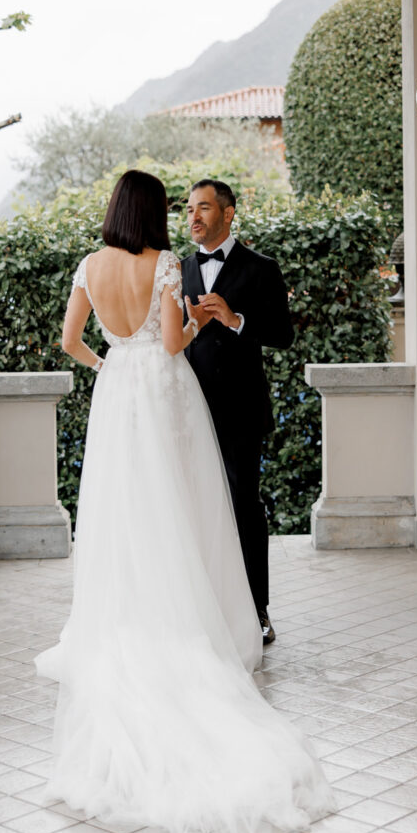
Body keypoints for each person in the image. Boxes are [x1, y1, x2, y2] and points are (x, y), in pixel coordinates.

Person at [35, 169, 333, 833]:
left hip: (118, 393)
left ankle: (128, 618)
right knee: (178, 505)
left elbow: (70, 341)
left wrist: (109, 365)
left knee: (123, 509)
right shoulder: (166, 263)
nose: (185, 215)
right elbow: (172, 345)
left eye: (198, 206)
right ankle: (195, 618)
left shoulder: (90, 264)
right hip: (164, 392)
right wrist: (194, 322)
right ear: (151, 212)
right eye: (174, 206)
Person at [182, 179, 294, 645]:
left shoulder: (261, 268)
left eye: (204, 208)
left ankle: (257, 610)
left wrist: (235, 320)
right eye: (190, 208)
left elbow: (283, 334)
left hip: (241, 412)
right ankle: (204, 610)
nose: (193, 216)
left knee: (245, 508)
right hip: (188, 411)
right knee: (192, 511)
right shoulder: (178, 270)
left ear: (227, 214)